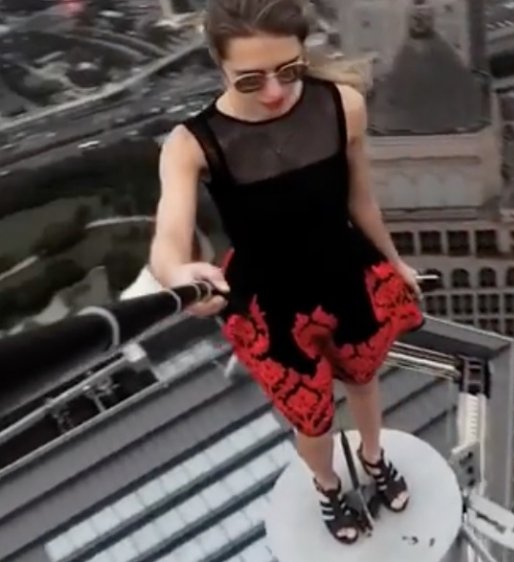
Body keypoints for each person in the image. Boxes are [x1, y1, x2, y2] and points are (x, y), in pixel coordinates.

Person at [149, 0, 424, 545]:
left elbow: (361, 202)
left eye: (290, 70)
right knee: (312, 416)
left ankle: (373, 458)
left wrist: (394, 265)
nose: (275, 92)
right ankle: (326, 486)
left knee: (366, 381)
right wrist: (176, 273)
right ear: (218, 65)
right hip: (270, 302)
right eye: (250, 80)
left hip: (346, 275)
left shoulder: (342, 105)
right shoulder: (192, 145)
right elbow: (168, 236)